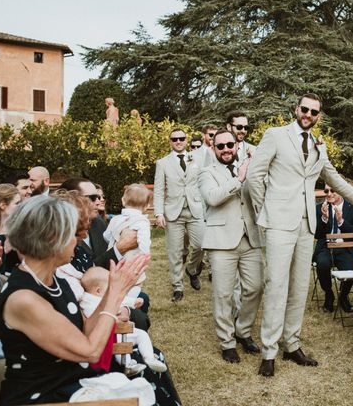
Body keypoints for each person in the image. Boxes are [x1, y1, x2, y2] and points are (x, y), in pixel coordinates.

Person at [246, 92, 353, 377]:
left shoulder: (320, 144)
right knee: (277, 284)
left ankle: (292, 344)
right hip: (279, 222)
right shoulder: (275, 135)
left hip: (308, 224)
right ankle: (269, 351)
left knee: (299, 287)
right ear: (296, 109)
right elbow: (255, 175)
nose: (308, 114)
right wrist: (265, 210)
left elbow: (332, 176)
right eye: (304, 109)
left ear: (319, 116)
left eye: (314, 112)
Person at [0, 195, 150, 404]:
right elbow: (91, 351)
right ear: (52, 239)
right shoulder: (24, 298)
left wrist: (113, 289)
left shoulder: (56, 280)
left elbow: (86, 332)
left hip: (72, 386)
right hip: (44, 397)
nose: (77, 241)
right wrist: (115, 295)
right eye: (72, 234)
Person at [199, 130, 264, 363]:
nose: (226, 149)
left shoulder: (248, 166)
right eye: (220, 146)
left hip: (250, 238)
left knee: (256, 287)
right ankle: (227, 342)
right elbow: (213, 198)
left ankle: (243, 330)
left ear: (236, 145)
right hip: (221, 241)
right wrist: (239, 179)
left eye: (230, 144)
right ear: (214, 148)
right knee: (223, 294)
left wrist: (252, 171)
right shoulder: (206, 172)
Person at [79, 267, 166, 374]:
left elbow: (121, 299)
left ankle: (150, 358)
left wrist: (133, 302)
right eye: (110, 287)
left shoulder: (102, 295)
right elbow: (92, 315)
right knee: (120, 341)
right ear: (98, 291)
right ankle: (128, 365)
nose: (113, 291)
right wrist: (113, 314)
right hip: (107, 335)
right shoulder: (88, 301)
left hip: (117, 329)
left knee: (141, 334)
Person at [153, 128, 205, 302]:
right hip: (173, 212)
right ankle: (177, 286)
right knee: (175, 252)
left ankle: (191, 269)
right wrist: (159, 213)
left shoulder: (197, 158)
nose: (178, 141)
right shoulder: (163, 163)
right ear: (170, 141)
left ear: (186, 139)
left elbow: (203, 184)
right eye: (174, 139)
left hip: (195, 209)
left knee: (200, 245)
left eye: (181, 138)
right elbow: (159, 191)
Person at [313, 184, 353, 313]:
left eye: (332, 190)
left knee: (349, 271)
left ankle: (344, 297)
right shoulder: (319, 208)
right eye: (326, 191)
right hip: (326, 247)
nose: (329, 194)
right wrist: (324, 219)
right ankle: (329, 294)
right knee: (322, 264)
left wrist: (341, 221)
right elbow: (317, 234)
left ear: (341, 190)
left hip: (345, 248)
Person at [103, 184, 152, 298]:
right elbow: (144, 242)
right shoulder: (142, 222)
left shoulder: (115, 219)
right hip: (132, 263)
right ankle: (129, 301)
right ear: (146, 206)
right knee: (136, 285)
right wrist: (145, 257)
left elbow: (106, 236)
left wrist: (115, 243)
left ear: (123, 201)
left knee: (116, 286)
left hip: (115, 262)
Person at [0, 185, 21, 275]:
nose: (21, 206)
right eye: (17, 203)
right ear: (3, 205)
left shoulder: (20, 229)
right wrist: (4, 251)